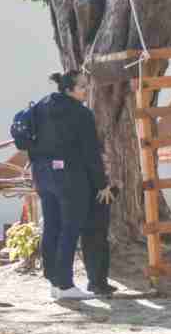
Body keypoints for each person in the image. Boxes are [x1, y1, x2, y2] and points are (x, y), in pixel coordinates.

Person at [30, 71, 112, 300]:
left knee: (51, 228)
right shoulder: (81, 113)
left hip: (42, 174)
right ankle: (66, 285)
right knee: (69, 229)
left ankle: (55, 283)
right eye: (82, 87)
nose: (86, 90)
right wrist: (102, 183)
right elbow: (91, 153)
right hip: (69, 177)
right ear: (68, 90)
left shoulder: (42, 106)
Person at [81, 183, 118, 297]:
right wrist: (105, 185)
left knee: (102, 241)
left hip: (100, 194)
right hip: (90, 195)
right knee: (94, 242)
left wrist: (113, 188)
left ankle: (101, 282)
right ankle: (95, 282)